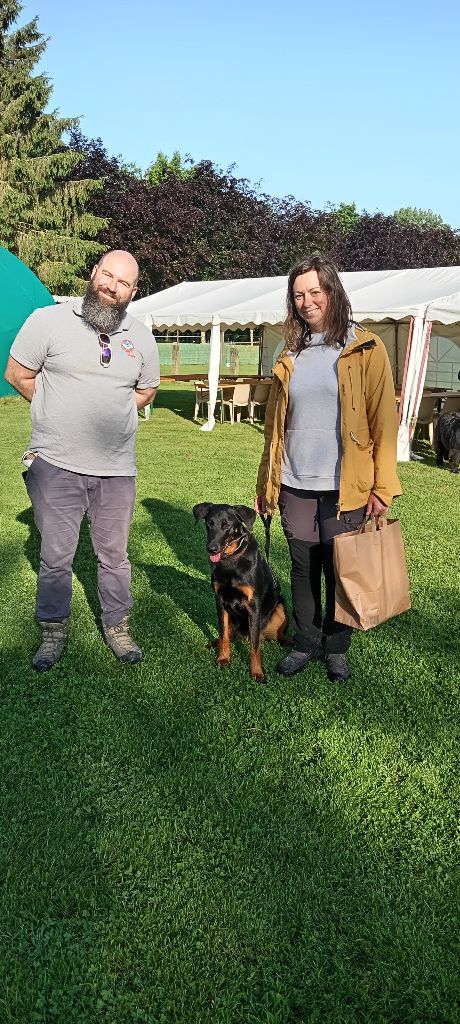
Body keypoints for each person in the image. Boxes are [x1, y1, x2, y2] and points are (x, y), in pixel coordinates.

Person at [5, 250, 160, 671]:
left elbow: (146, 390)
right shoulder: (47, 321)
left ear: (133, 291)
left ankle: (118, 627)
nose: (111, 286)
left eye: (122, 282)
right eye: (106, 275)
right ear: (93, 273)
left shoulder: (140, 337)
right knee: (56, 556)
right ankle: (53, 631)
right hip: (56, 463)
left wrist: (109, 411)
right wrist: (56, 408)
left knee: (115, 555)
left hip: (116, 470)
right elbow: (17, 374)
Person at [255, 255, 401, 682]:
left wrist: (382, 486)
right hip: (295, 482)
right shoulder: (291, 353)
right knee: (303, 568)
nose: (306, 301)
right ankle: (305, 642)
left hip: (347, 486)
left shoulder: (365, 347)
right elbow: (273, 428)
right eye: (298, 295)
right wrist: (267, 481)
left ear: (332, 292)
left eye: (314, 291)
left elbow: (383, 424)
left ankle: (336, 648)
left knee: (340, 568)